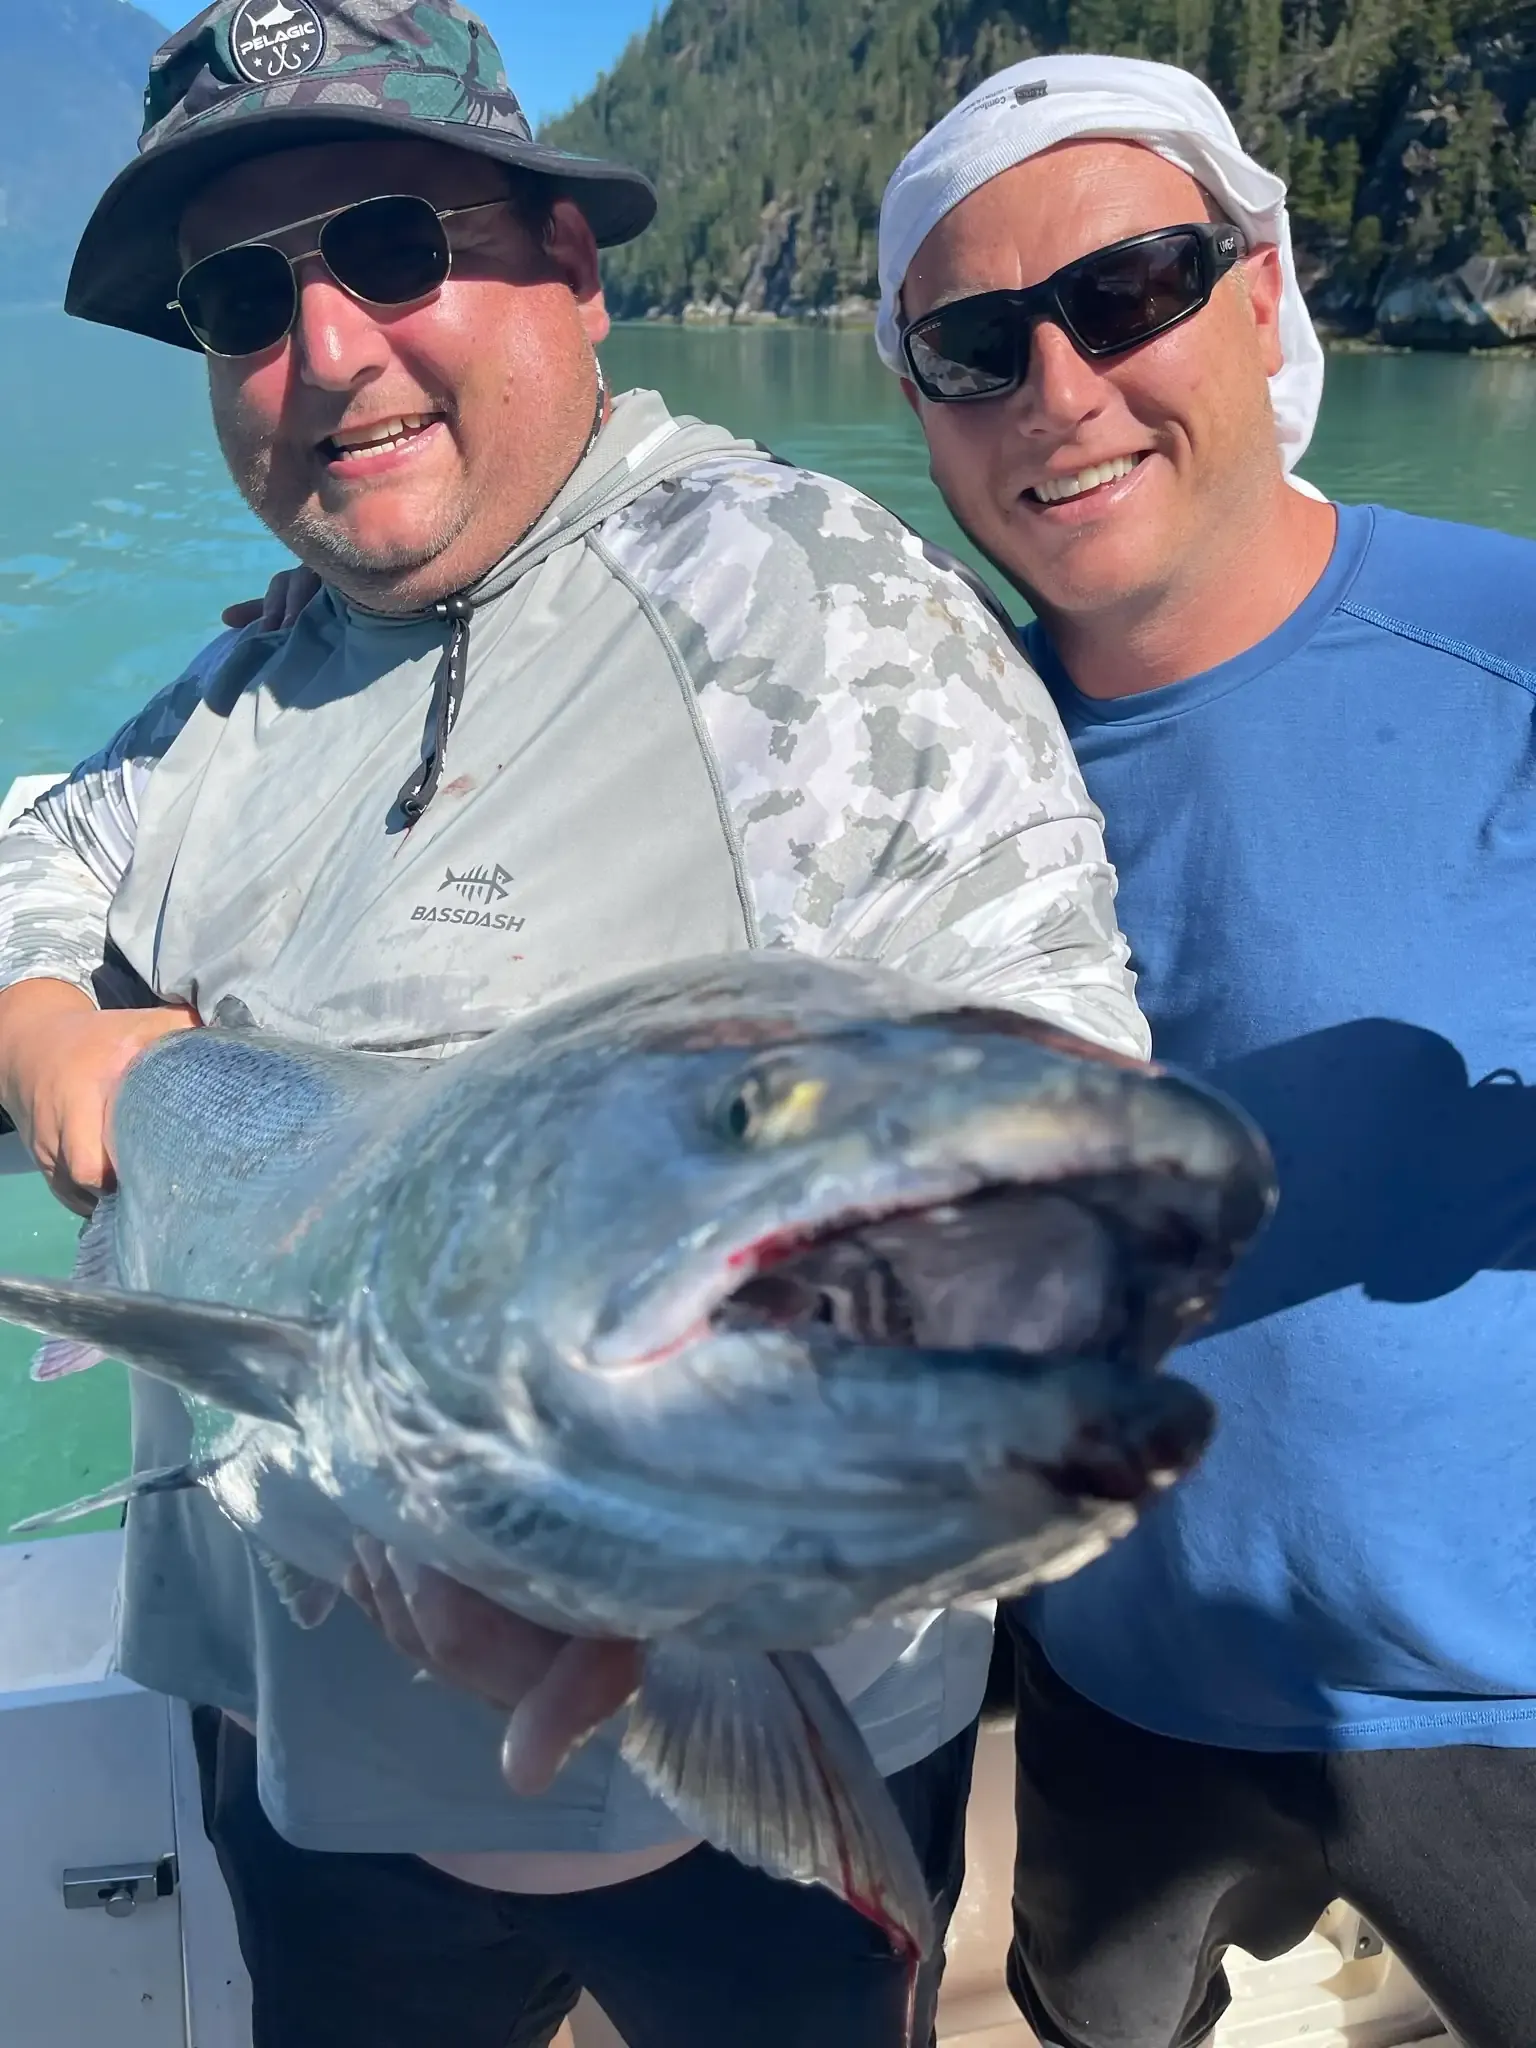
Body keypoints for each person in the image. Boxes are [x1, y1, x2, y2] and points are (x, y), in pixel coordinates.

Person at [0, 8, 1152, 2048]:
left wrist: (667, 1524)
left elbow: (1048, 1153)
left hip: (765, 1819)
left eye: (387, 246)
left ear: (573, 265)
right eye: (242, 298)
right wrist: (46, 1028)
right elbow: (34, 848)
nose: (327, 348)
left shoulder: (808, 616)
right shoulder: (233, 699)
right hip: (311, 1784)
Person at [877, 49, 1536, 2048]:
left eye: (1130, 289)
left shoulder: (1508, 650)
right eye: (976, 344)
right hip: (1113, 1684)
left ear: (1262, 294)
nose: (1060, 390)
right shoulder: (907, 757)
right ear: (923, 406)